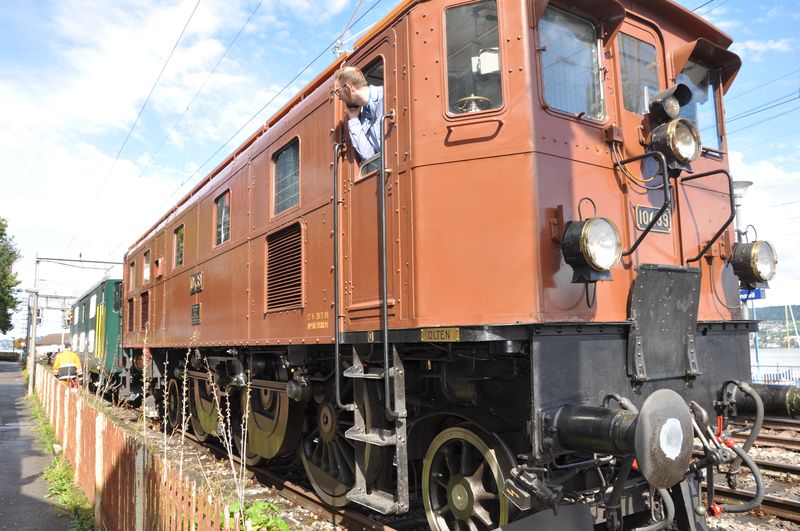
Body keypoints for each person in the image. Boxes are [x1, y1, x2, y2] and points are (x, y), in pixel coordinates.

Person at [333, 66, 384, 160]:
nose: (339, 98)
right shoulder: (363, 117)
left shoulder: (385, 96)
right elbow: (369, 155)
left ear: (347, 88)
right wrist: (353, 120)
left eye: (338, 92)